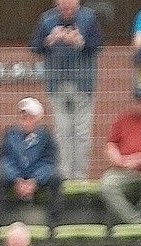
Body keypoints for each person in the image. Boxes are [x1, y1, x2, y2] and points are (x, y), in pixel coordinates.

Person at [33, 0, 101, 181]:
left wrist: (79, 41)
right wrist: (50, 40)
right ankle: (64, 177)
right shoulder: (46, 19)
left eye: (70, 2)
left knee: (82, 133)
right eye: (63, 2)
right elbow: (35, 47)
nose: (66, 5)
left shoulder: (89, 17)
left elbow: (97, 46)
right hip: (56, 85)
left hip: (83, 85)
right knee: (62, 132)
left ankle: (80, 178)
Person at [103, 87, 141, 226]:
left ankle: (140, 222)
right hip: (123, 170)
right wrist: (119, 160)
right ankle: (137, 224)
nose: (140, 104)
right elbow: (111, 144)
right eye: (137, 101)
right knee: (107, 185)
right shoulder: (123, 119)